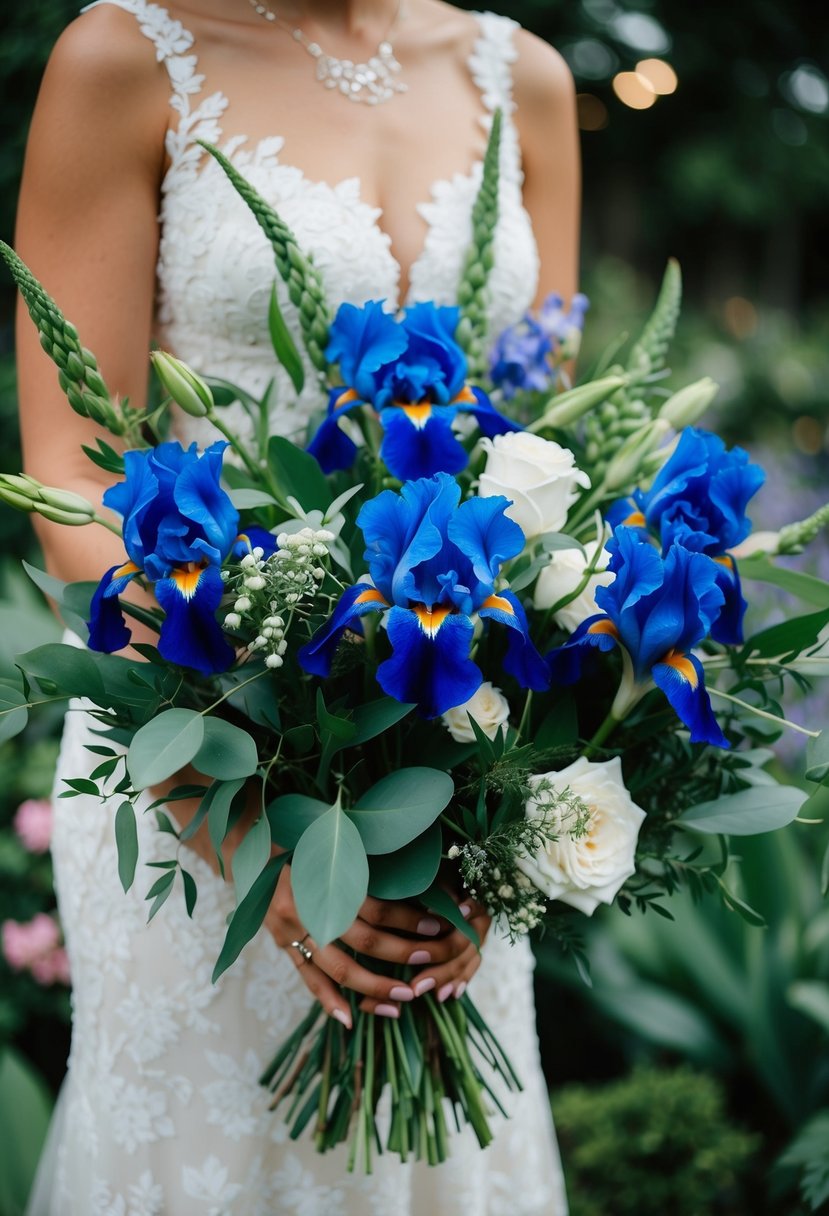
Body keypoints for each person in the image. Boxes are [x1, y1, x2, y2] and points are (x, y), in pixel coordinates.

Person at [16, 1, 579, 1210]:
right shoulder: (123, 52)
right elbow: (70, 470)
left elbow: (543, 455)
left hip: (452, 742)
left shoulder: (522, 73)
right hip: (197, 735)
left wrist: (499, 830)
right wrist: (242, 822)